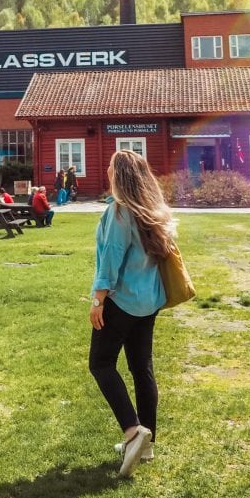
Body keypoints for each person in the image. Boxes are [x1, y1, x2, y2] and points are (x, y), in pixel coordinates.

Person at [88, 149, 175, 477]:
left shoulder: (120, 212)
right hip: (149, 303)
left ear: (118, 176)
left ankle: (133, 431)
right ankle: (147, 442)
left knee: (101, 364)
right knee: (142, 367)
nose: (108, 172)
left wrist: (98, 301)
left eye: (110, 168)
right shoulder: (154, 211)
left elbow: (110, 260)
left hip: (121, 301)